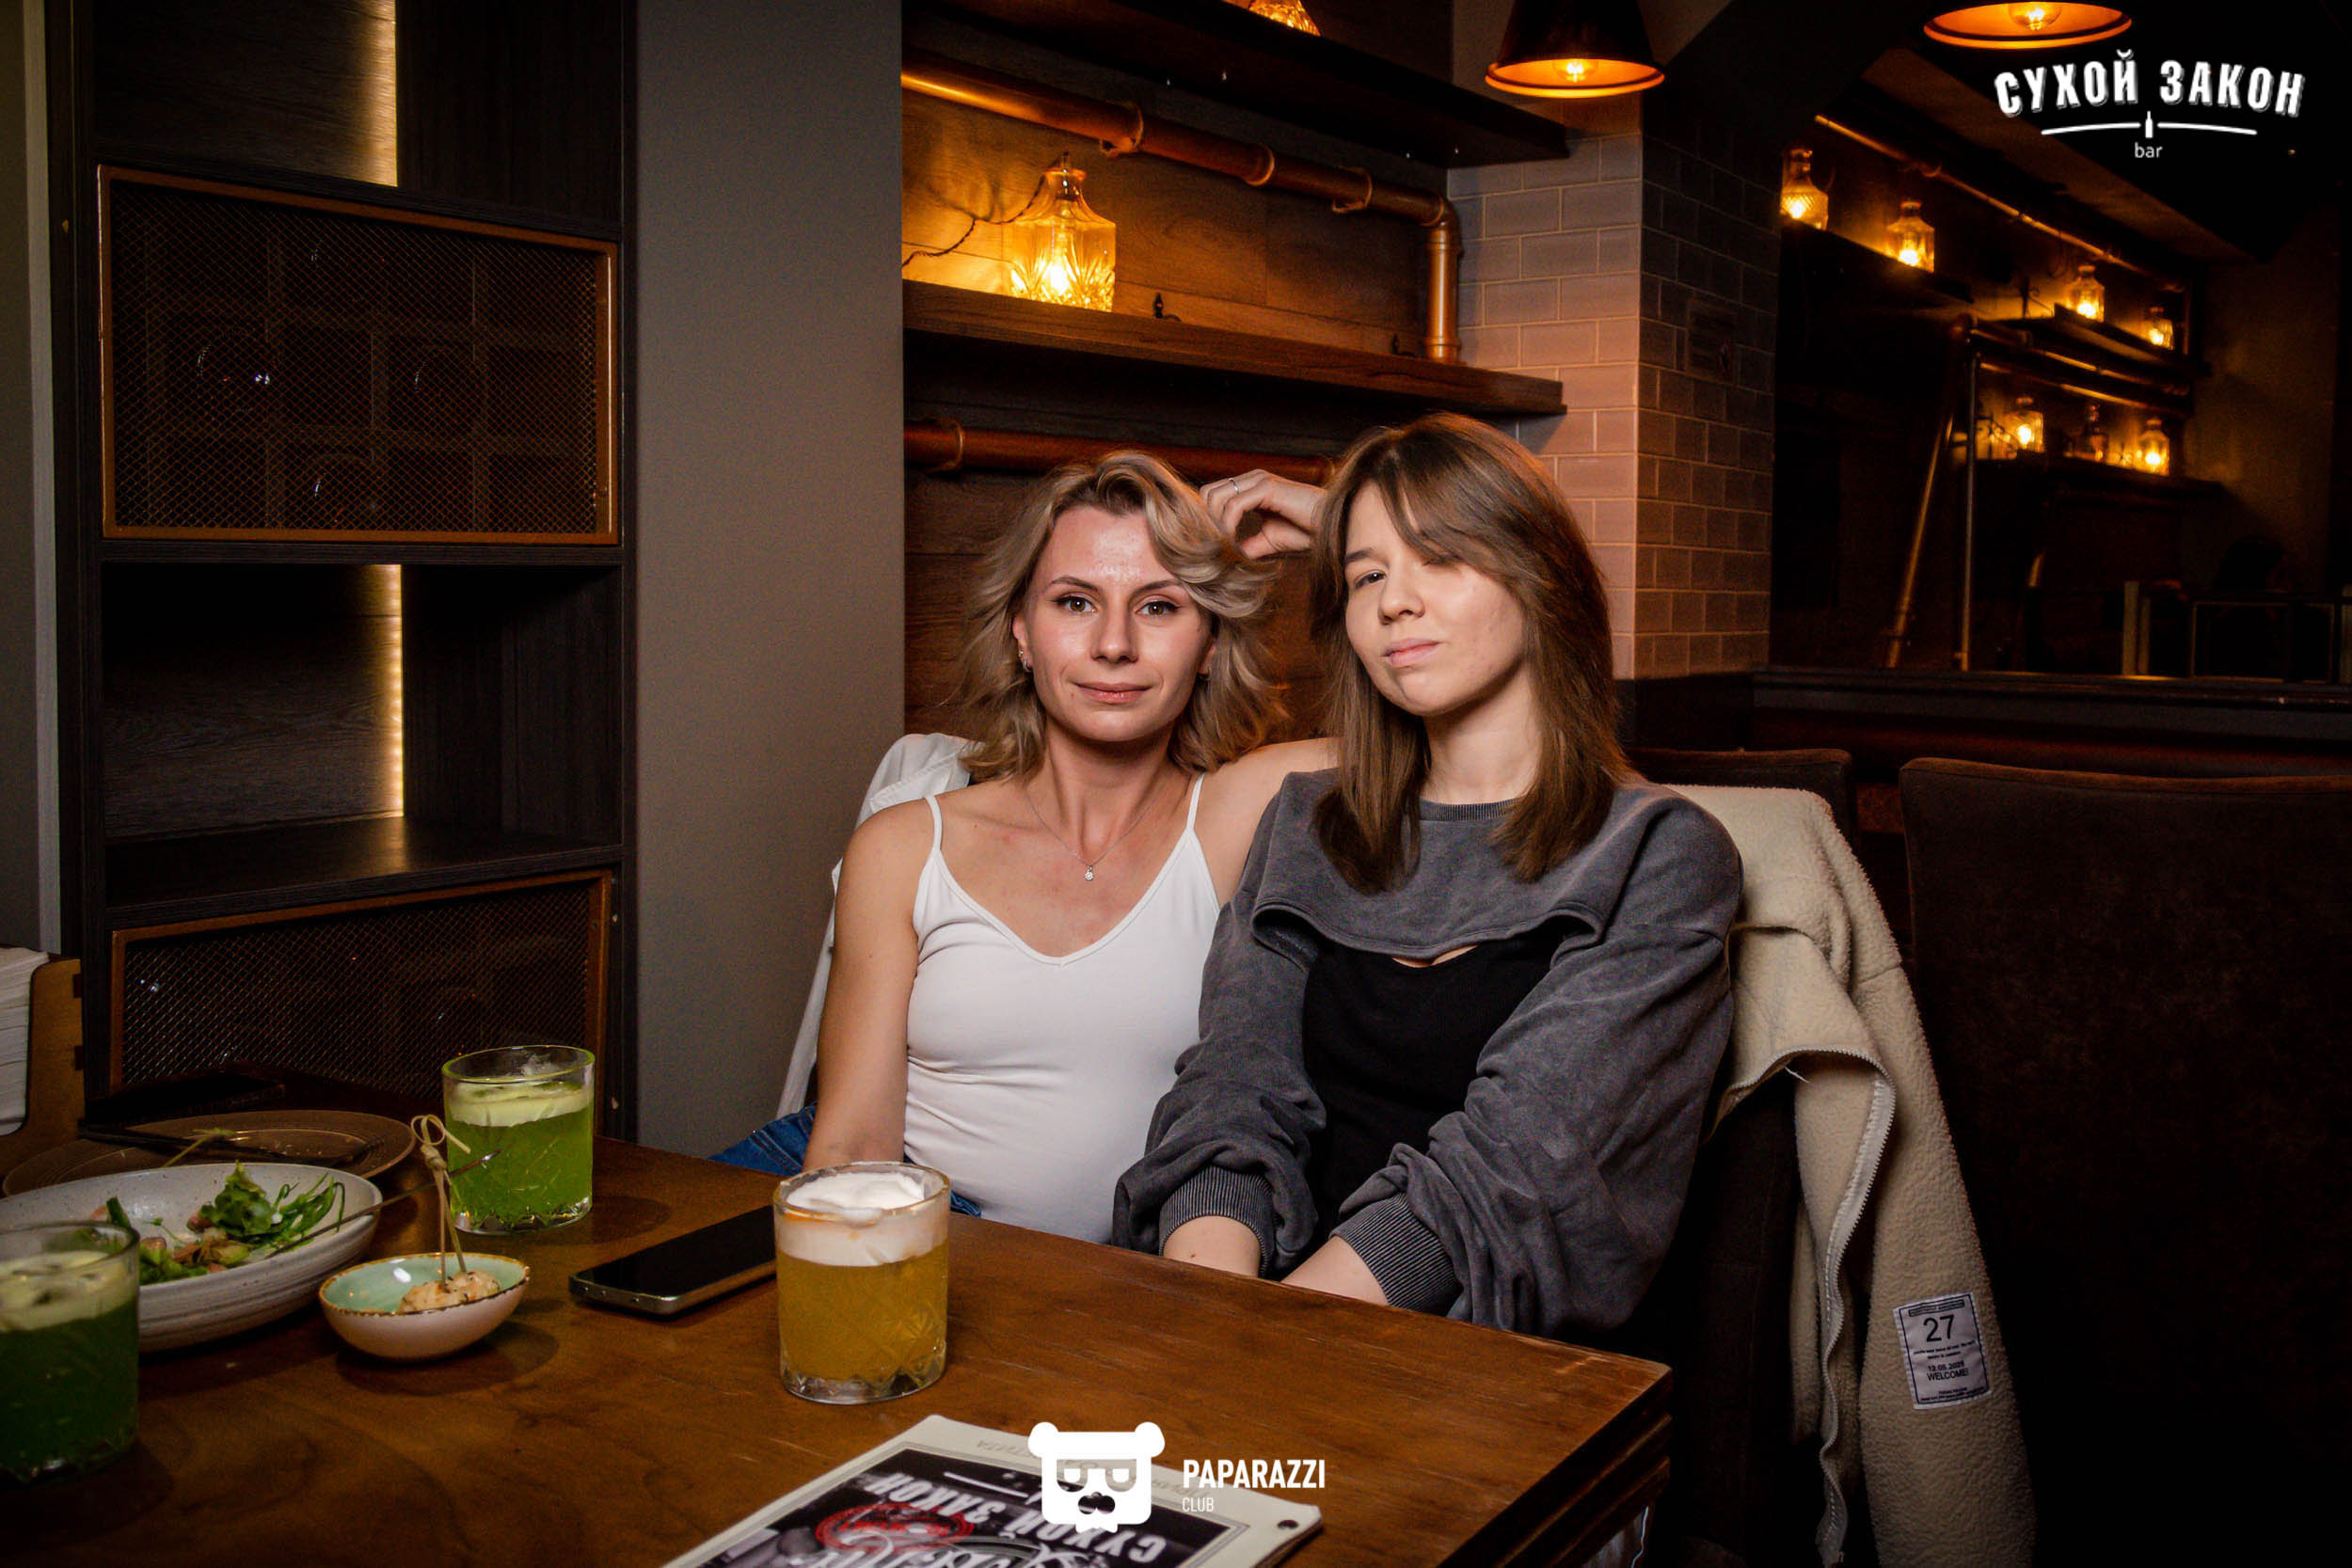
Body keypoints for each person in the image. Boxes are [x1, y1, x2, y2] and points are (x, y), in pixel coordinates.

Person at [1111, 413, 1742, 1338]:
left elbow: (1514, 1169)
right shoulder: (1307, 819)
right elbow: (1232, 1092)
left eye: (1440, 558)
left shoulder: (1656, 852)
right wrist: (1210, 1310)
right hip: (1248, 1313)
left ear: (1543, 578)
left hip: (1478, 1357)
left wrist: (1265, 1343)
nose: (1393, 604)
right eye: (1366, 576)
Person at [725, 451, 1328, 1243]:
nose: (1113, 643)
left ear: (1211, 640)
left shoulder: (1234, 814)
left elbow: (1479, 722)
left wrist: (1334, 518)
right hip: (916, 1227)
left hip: (1127, 1275)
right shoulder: (904, 846)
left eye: (1159, 606)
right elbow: (853, 1148)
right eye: (1076, 601)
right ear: (1020, 631)